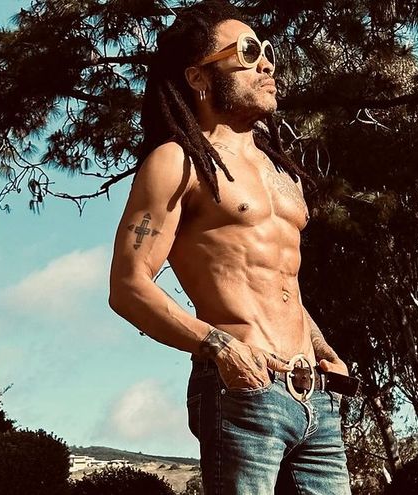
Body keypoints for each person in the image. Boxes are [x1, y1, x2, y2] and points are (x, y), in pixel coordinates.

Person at [108, 2, 357, 493]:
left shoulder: (282, 174)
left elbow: (277, 284)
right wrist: (221, 348)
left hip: (316, 395)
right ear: (199, 77)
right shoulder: (177, 161)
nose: (265, 63)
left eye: (266, 51)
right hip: (243, 390)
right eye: (246, 52)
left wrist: (324, 349)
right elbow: (128, 286)